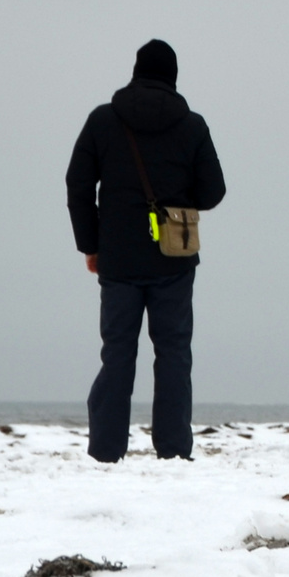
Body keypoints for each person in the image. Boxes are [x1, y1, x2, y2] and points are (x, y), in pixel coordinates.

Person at [65, 39, 226, 462]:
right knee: (173, 353)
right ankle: (173, 451)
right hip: (174, 259)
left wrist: (90, 244)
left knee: (117, 353)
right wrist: (178, 195)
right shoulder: (192, 126)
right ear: (173, 77)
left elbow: (78, 185)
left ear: (135, 72)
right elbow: (214, 192)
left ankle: (105, 450)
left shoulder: (103, 121)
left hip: (117, 260)